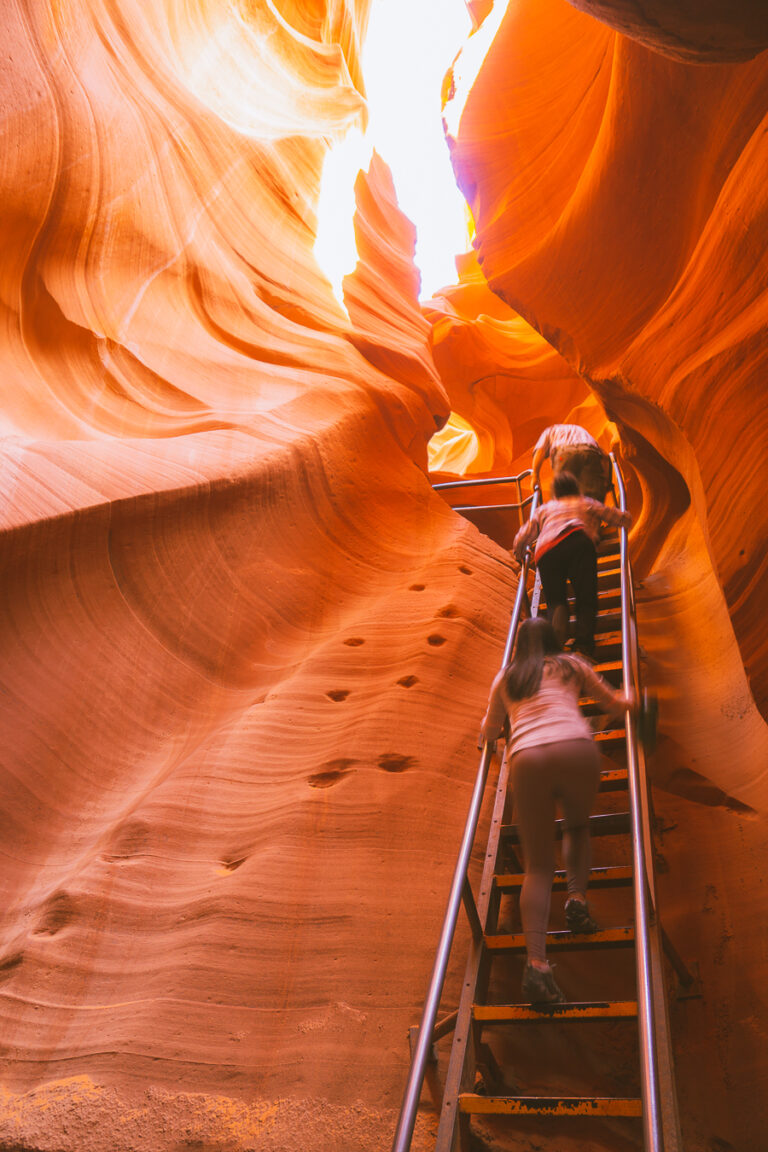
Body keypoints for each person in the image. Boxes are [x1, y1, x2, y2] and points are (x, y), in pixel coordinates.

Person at [480, 617, 634, 1005]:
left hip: (527, 758)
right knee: (577, 829)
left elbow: (490, 730)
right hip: (575, 748)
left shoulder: (506, 677)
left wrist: (487, 738)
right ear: (554, 639)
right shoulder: (571, 664)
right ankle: (577, 900)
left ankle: (537, 965)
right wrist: (636, 700)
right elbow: (613, 704)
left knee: (538, 867)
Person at [513, 471, 631, 659]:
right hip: (577, 541)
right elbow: (613, 516)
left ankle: (553, 650)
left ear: (555, 491)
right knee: (585, 598)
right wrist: (626, 519)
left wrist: (520, 554)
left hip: (547, 550)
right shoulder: (584, 501)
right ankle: (582, 647)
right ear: (575, 488)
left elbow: (523, 535)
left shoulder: (545, 508)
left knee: (555, 601)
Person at [531, 423, 611, 502]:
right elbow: (604, 456)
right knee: (593, 499)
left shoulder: (550, 431)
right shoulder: (581, 430)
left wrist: (535, 475)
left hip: (565, 454)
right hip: (590, 453)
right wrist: (607, 480)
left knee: (563, 496)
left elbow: (540, 451)